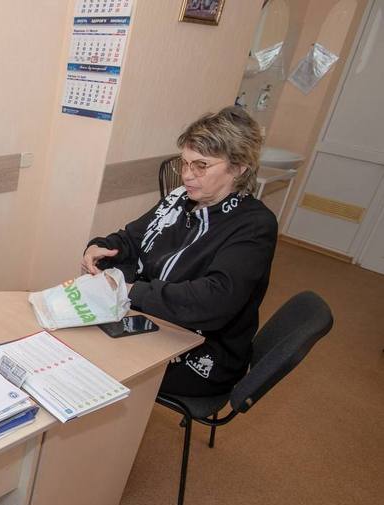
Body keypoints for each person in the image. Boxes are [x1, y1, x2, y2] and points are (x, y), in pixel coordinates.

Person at [83, 106, 277, 397]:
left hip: (202, 348)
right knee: (80, 342)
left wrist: (132, 290)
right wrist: (101, 246)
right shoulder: (179, 199)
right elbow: (133, 238)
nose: (187, 175)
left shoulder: (253, 225)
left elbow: (214, 300)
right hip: (152, 318)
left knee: (96, 364)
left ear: (239, 168)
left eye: (201, 165)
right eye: (184, 163)